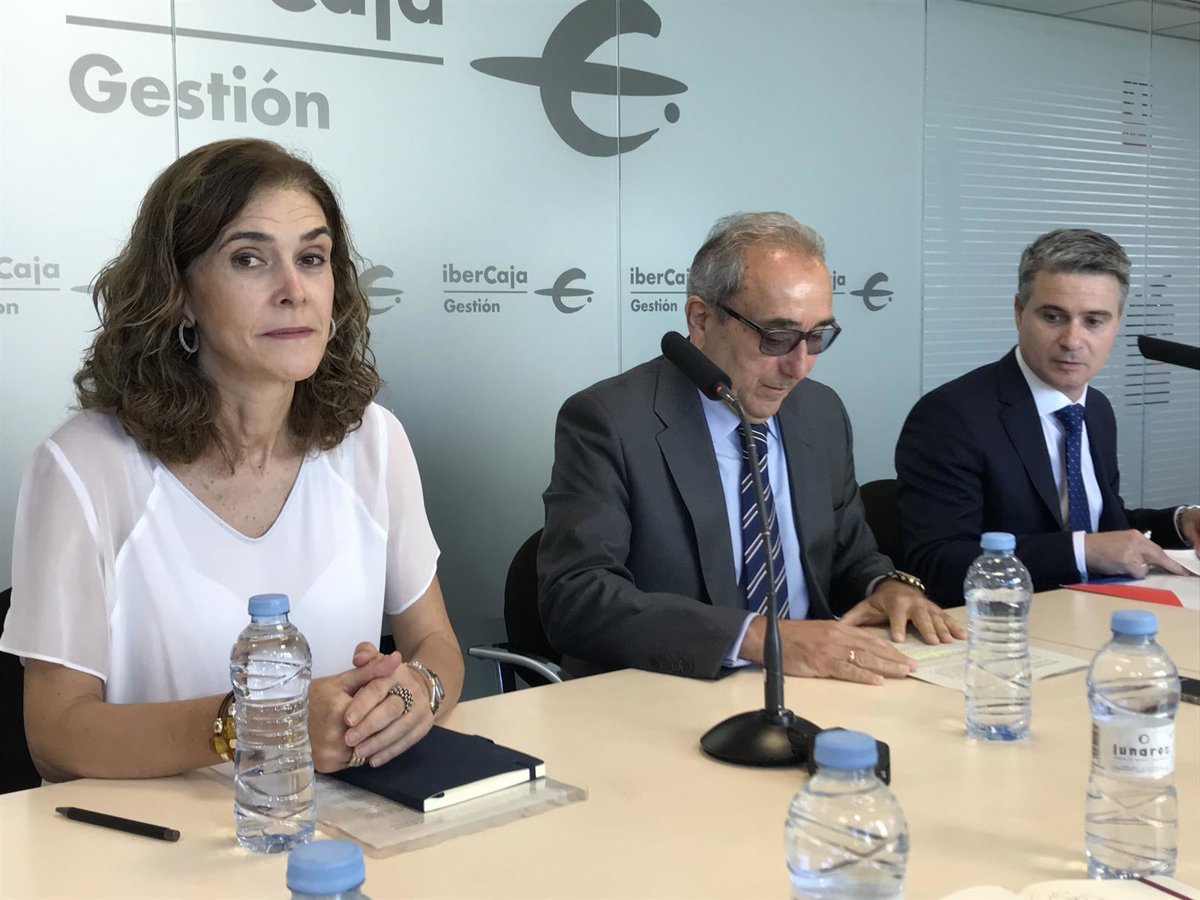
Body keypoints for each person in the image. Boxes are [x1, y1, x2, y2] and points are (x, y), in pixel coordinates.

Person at [0, 139, 463, 782]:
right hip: (155, 833)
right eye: (249, 259)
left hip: (349, 820)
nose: (294, 290)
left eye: (312, 258)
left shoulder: (374, 441)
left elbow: (435, 645)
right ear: (180, 294)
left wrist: (416, 694)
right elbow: (55, 734)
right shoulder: (83, 465)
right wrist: (258, 724)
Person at [538, 212, 963, 685]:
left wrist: (885, 586)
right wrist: (761, 637)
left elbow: (849, 554)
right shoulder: (610, 421)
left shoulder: (819, 412)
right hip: (669, 692)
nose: (800, 367)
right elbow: (575, 598)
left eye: (817, 337)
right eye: (777, 337)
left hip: (816, 687)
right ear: (701, 319)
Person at [895, 228, 1198, 607]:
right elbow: (937, 564)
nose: (1072, 341)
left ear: (1117, 323)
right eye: (1053, 317)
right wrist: (1081, 551)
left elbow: (1103, 527)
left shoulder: (1096, 409)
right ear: (1019, 312)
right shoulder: (951, 416)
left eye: (1094, 321)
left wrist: (1180, 523)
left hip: (1096, 610)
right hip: (1009, 624)